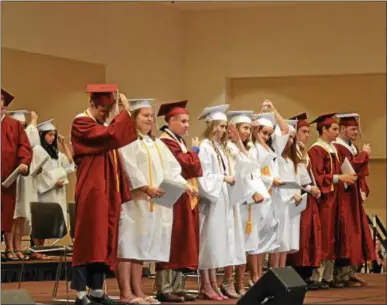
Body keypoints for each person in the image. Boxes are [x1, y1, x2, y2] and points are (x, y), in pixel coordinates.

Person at [116, 99, 193, 305]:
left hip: (154, 201)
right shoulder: (126, 141)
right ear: (134, 118)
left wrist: (183, 185)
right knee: (128, 246)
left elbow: (173, 168)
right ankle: (125, 293)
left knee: (140, 247)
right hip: (134, 201)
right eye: (145, 115)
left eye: (151, 115)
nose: (151, 119)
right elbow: (127, 166)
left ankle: (138, 290)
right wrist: (144, 187)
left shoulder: (156, 143)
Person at [70, 84, 137, 305]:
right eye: (102, 110)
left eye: (108, 112)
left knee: (102, 240)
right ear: (91, 105)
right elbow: (112, 134)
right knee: (88, 239)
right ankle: (80, 293)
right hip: (91, 190)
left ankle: (97, 290)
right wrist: (124, 113)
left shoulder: (99, 124)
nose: (105, 115)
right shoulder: (81, 123)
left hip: (105, 191)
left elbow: (114, 136)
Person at [154, 100, 202, 303]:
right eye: (183, 121)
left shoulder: (179, 141)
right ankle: (164, 288)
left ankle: (178, 286)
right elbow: (187, 166)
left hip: (185, 196)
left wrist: (191, 153)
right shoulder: (166, 142)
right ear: (171, 120)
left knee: (185, 241)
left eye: (188, 121)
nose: (187, 125)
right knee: (173, 241)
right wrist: (195, 152)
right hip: (173, 196)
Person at [220, 110, 270, 298]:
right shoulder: (228, 149)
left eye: (250, 128)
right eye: (245, 128)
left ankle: (241, 281)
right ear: (233, 129)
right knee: (234, 244)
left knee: (245, 245)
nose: (248, 132)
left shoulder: (246, 148)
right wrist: (252, 193)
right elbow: (241, 174)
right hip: (238, 200)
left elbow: (253, 169)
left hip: (251, 201)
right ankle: (228, 280)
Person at [308, 113, 357, 289]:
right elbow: (318, 176)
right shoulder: (316, 150)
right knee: (324, 236)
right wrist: (340, 177)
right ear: (324, 130)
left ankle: (328, 277)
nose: (337, 132)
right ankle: (317, 277)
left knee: (333, 236)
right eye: (334, 129)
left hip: (334, 199)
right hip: (324, 201)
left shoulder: (332, 149)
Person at [247, 101, 290, 284]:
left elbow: (286, 130)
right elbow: (255, 172)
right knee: (255, 238)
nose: (267, 137)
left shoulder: (271, 149)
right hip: (257, 196)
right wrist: (271, 180)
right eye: (264, 133)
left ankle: (260, 274)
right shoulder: (252, 148)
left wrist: (274, 110)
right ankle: (254, 275)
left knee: (265, 237)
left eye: (269, 134)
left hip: (270, 197)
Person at [333, 113, 376, 287]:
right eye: (352, 129)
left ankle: (350, 273)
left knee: (356, 235)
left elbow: (360, 174)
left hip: (353, 196)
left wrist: (363, 189)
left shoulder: (352, 147)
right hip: (343, 198)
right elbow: (350, 168)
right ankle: (341, 275)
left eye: (356, 128)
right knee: (346, 235)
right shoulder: (337, 147)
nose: (355, 132)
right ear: (342, 129)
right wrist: (364, 155)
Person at [286, 113, 322, 290]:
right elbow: (295, 176)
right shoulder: (292, 152)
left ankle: (307, 274)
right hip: (297, 197)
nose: (307, 135)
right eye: (304, 131)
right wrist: (309, 188)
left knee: (309, 236)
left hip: (308, 199)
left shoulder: (303, 151)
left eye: (308, 132)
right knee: (300, 235)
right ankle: (298, 273)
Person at [33, 119, 74, 255]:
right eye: (49, 134)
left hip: (55, 192)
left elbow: (69, 164)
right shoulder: (38, 150)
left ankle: (41, 250)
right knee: (41, 222)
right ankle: (37, 251)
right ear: (42, 135)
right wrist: (53, 181)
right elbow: (38, 173)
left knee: (47, 224)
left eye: (54, 135)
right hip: (44, 191)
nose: (52, 138)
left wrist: (64, 144)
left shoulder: (54, 152)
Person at [1, 89, 32, 262]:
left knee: (7, 214)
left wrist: (24, 162)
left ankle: (8, 248)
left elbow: (24, 147)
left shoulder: (14, 125)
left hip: (7, 180)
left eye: (0, 99)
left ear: (5, 105)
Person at [4, 110, 40, 261]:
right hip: (9, 177)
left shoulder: (19, 130)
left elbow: (28, 146)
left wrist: (24, 163)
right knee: (9, 214)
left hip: (17, 178)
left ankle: (16, 247)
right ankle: (9, 248)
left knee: (16, 214)